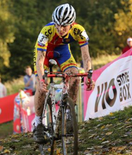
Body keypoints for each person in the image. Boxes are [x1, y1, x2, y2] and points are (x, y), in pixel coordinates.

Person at [33, 3, 94, 143]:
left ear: (71, 24)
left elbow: (86, 57)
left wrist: (89, 74)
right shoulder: (46, 31)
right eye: (57, 25)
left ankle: (69, 115)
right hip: (45, 55)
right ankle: (38, 124)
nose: (60, 29)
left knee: (75, 76)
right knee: (42, 86)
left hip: (63, 53)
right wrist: (42, 79)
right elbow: (40, 59)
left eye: (64, 26)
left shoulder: (79, 31)